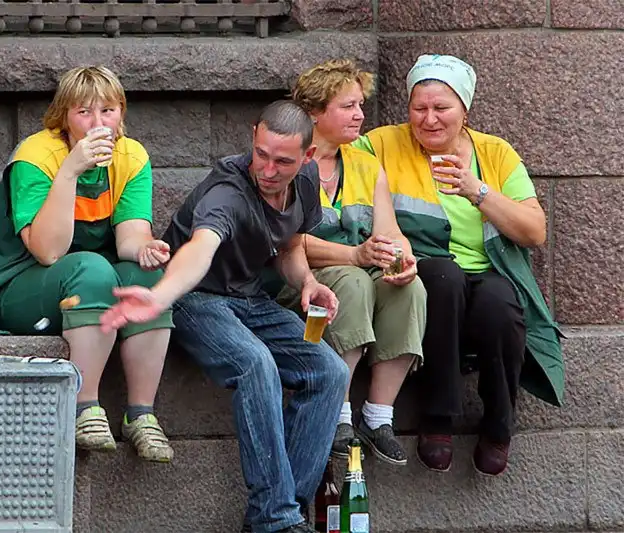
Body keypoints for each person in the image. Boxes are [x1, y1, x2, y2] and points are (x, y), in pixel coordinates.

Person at [100, 100, 349, 533]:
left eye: (282, 161)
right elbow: (200, 248)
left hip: (251, 300)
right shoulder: (226, 192)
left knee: (329, 371)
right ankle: (277, 519)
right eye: (261, 154)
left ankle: (281, 514)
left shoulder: (306, 182)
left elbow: (290, 244)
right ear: (253, 136)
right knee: (256, 363)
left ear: (307, 157)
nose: (267, 169)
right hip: (196, 298)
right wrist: (159, 297)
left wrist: (307, 282)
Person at [0, 66, 175, 463]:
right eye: (84, 112)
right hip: (14, 286)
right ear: (64, 117)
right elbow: (48, 251)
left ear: (121, 113)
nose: (97, 123)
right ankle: (85, 407)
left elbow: (130, 238)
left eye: (107, 111)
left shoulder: (131, 156)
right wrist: (70, 170)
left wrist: (146, 249)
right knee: (91, 269)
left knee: (146, 279)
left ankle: (141, 415)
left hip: (86, 287)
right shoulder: (36, 156)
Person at [353, 54, 564, 476]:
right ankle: (438, 418)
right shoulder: (380, 144)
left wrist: (477, 191)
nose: (429, 119)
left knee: (500, 304)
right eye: (419, 108)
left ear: (465, 110)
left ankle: (499, 425)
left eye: (441, 108)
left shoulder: (495, 152)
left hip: (486, 272)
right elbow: (335, 164)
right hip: (423, 272)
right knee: (443, 277)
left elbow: (534, 231)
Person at [280, 59, 426, 465]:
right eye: (348, 106)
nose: (360, 114)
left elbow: (390, 231)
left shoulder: (365, 164)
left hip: (355, 275)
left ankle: (378, 416)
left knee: (409, 289)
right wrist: (356, 255)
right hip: (298, 285)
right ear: (314, 112)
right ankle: (339, 411)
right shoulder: (287, 161)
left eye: (360, 104)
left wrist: (402, 258)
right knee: (354, 280)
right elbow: (286, 241)